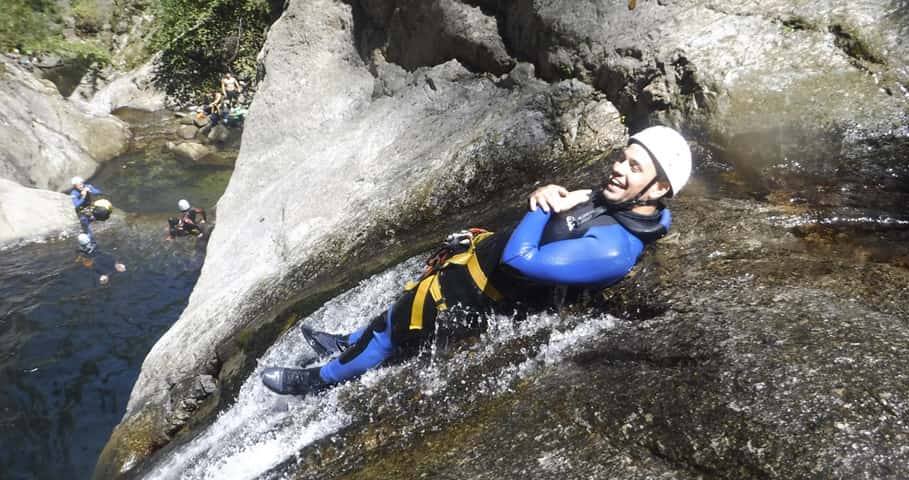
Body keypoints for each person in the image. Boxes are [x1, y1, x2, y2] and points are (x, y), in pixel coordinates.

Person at [262, 125, 693, 395]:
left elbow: (521, 260)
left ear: (656, 190)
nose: (619, 168)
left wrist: (539, 204)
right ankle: (347, 341)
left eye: (634, 168)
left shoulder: (614, 248)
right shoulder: (620, 204)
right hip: (478, 268)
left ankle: (317, 382)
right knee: (399, 307)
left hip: (484, 294)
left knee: (391, 334)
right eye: (623, 157)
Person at [70, 176, 103, 242]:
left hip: (90, 207)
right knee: (83, 220)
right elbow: (77, 205)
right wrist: (83, 197)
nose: (81, 186)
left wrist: (91, 190)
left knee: (102, 211)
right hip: (81, 209)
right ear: (75, 186)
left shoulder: (88, 186)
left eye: (81, 184)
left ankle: (93, 217)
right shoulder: (74, 193)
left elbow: (99, 192)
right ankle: (89, 237)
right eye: (78, 185)